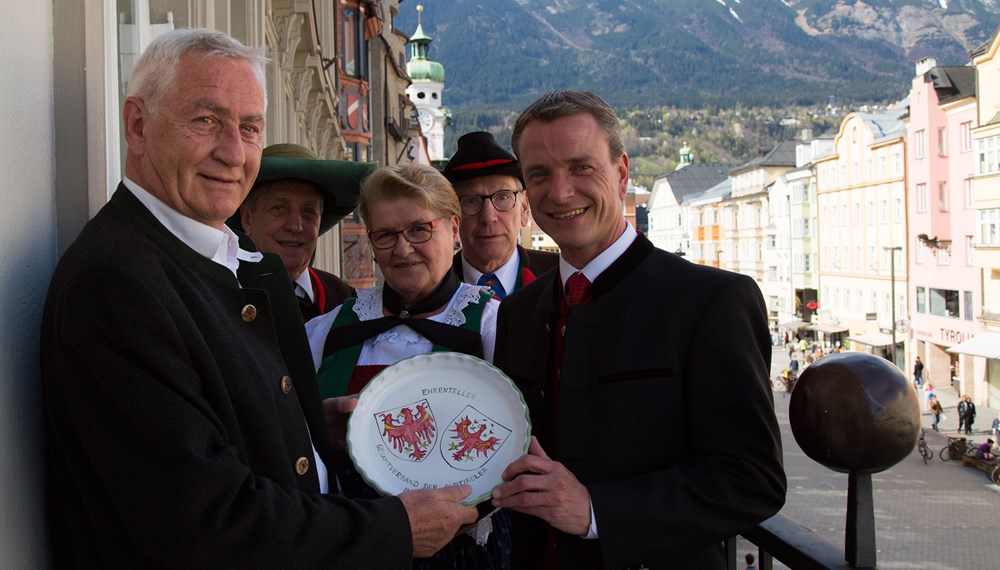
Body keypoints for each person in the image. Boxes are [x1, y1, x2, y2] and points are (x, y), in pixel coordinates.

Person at [39, 29, 475, 568]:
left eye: (249, 128)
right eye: (206, 121)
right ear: (137, 125)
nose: (233, 152)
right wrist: (394, 529)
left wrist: (310, 428)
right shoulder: (117, 281)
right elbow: (205, 522)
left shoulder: (189, 256)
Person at [489, 90, 786, 568]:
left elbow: (752, 480)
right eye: (539, 174)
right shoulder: (518, 312)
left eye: (581, 167)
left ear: (622, 172)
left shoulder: (711, 301)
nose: (560, 191)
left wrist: (595, 511)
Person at [305, 163, 509, 569]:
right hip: (354, 547)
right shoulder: (325, 331)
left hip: (461, 548)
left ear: (454, 230)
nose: (402, 249)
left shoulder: (494, 325)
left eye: (419, 229)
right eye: (385, 235)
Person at [234, 143, 375, 320]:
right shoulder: (221, 296)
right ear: (247, 218)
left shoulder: (350, 305)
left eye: (309, 211)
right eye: (279, 208)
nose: (296, 226)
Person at [443, 131, 558, 297]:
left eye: (503, 197)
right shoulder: (430, 287)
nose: (488, 218)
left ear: (524, 208)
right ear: (453, 219)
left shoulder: (561, 277)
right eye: (470, 201)